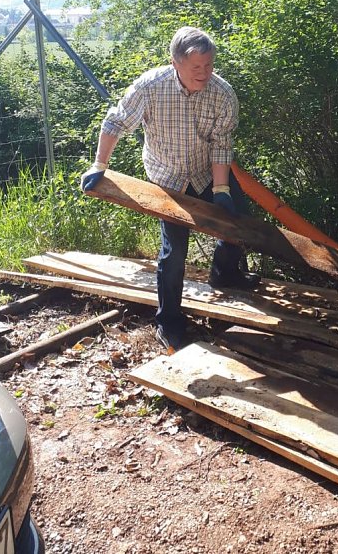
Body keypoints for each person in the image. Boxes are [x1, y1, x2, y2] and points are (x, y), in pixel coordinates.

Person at [80, 26, 259, 352]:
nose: (204, 72)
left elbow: (221, 145)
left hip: (206, 171)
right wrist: (99, 165)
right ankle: (169, 323)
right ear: (176, 63)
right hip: (168, 177)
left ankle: (224, 273)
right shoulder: (150, 87)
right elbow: (115, 122)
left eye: (209, 64)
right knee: (174, 251)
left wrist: (221, 189)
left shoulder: (222, 93)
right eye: (196, 67)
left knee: (239, 223)